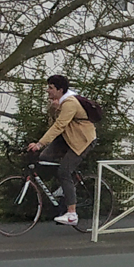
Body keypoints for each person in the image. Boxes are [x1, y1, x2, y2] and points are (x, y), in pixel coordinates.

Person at [26, 75, 96, 226]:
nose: (47, 90)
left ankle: (72, 214)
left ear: (60, 90)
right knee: (44, 158)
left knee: (64, 171)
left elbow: (59, 126)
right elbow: (53, 122)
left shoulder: (70, 103)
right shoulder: (61, 102)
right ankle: (62, 188)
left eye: (51, 88)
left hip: (82, 141)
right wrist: (54, 108)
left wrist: (39, 143)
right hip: (67, 138)